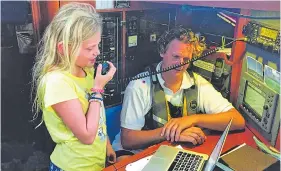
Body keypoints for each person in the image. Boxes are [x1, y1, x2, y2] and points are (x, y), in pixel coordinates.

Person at [112, 27, 245, 161]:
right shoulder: (139, 86)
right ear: (162, 52)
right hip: (137, 153)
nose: (180, 64)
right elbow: (128, 140)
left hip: (169, 150)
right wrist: (173, 133)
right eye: (176, 56)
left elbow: (237, 120)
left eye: (186, 58)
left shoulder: (198, 83)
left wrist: (193, 120)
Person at [31, 3, 117, 171]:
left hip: (95, 163)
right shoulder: (56, 82)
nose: (97, 52)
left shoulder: (87, 71)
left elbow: (97, 117)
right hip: (72, 167)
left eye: (97, 45)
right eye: (90, 48)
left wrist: (107, 145)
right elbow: (86, 135)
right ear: (64, 49)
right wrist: (98, 89)